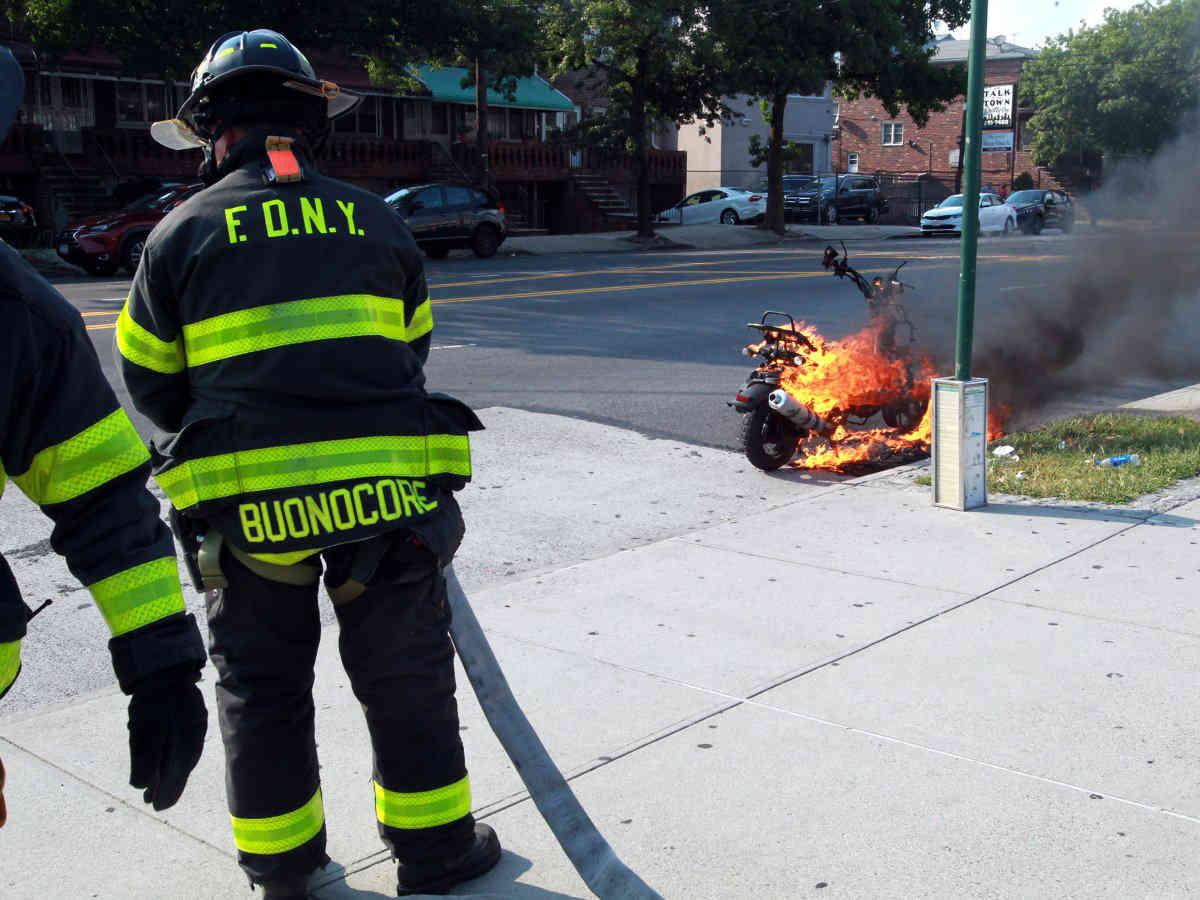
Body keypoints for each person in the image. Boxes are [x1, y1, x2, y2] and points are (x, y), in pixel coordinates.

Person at [118, 30, 497, 898]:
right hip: (388, 506)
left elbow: (152, 383)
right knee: (406, 682)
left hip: (252, 518)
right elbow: (410, 356)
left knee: (262, 689)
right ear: (308, 122)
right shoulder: (380, 221)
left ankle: (287, 870)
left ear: (214, 130)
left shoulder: (178, 235)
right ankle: (437, 855)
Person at [0, 45, 207, 828]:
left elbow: (102, 482)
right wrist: (162, 665)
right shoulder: (20, 310)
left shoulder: (17, 315)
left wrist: (159, 663)